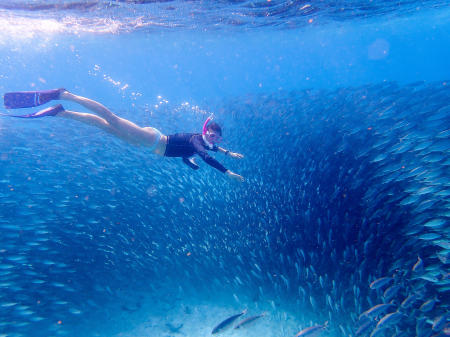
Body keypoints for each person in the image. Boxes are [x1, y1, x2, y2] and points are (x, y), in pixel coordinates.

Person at [2, 88, 244, 182]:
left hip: (149, 146)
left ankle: (60, 113)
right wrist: (228, 172)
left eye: (217, 139)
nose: (213, 140)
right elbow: (204, 154)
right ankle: (65, 95)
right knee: (112, 119)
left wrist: (227, 152)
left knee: (104, 126)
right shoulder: (196, 140)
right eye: (212, 135)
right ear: (206, 131)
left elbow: (202, 152)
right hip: (153, 140)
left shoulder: (202, 143)